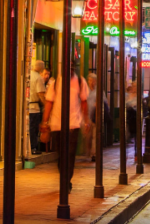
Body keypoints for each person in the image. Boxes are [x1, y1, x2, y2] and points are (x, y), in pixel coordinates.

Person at [41, 64, 90, 193]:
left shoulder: (80, 81)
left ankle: (66, 181)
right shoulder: (55, 83)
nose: (70, 70)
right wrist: (45, 121)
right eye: (68, 67)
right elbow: (49, 102)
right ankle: (64, 179)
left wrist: (86, 120)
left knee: (70, 154)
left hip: (73, 123)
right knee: (61, 154)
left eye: (72, 68)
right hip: (57, 124)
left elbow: (84, 101)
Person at [28, 60, 48, 155]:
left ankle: (29, 147)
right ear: (40, 67)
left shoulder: (28, 75)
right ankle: (34, 147)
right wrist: (46, 105)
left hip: (27, 106)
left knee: (29, 128)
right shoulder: (38, 78)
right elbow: (40, 94)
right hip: (35, 107)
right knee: (34, 128)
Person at [85, 73, 99, 160]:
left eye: (93, 81)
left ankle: (93, 154)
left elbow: (104, 102)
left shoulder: (98, 91)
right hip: (86, 117)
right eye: (90, 80)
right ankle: (88, 151)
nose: (92, 82)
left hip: (95, 117)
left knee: (95, 136)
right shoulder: (85, 90)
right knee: (88, 137)